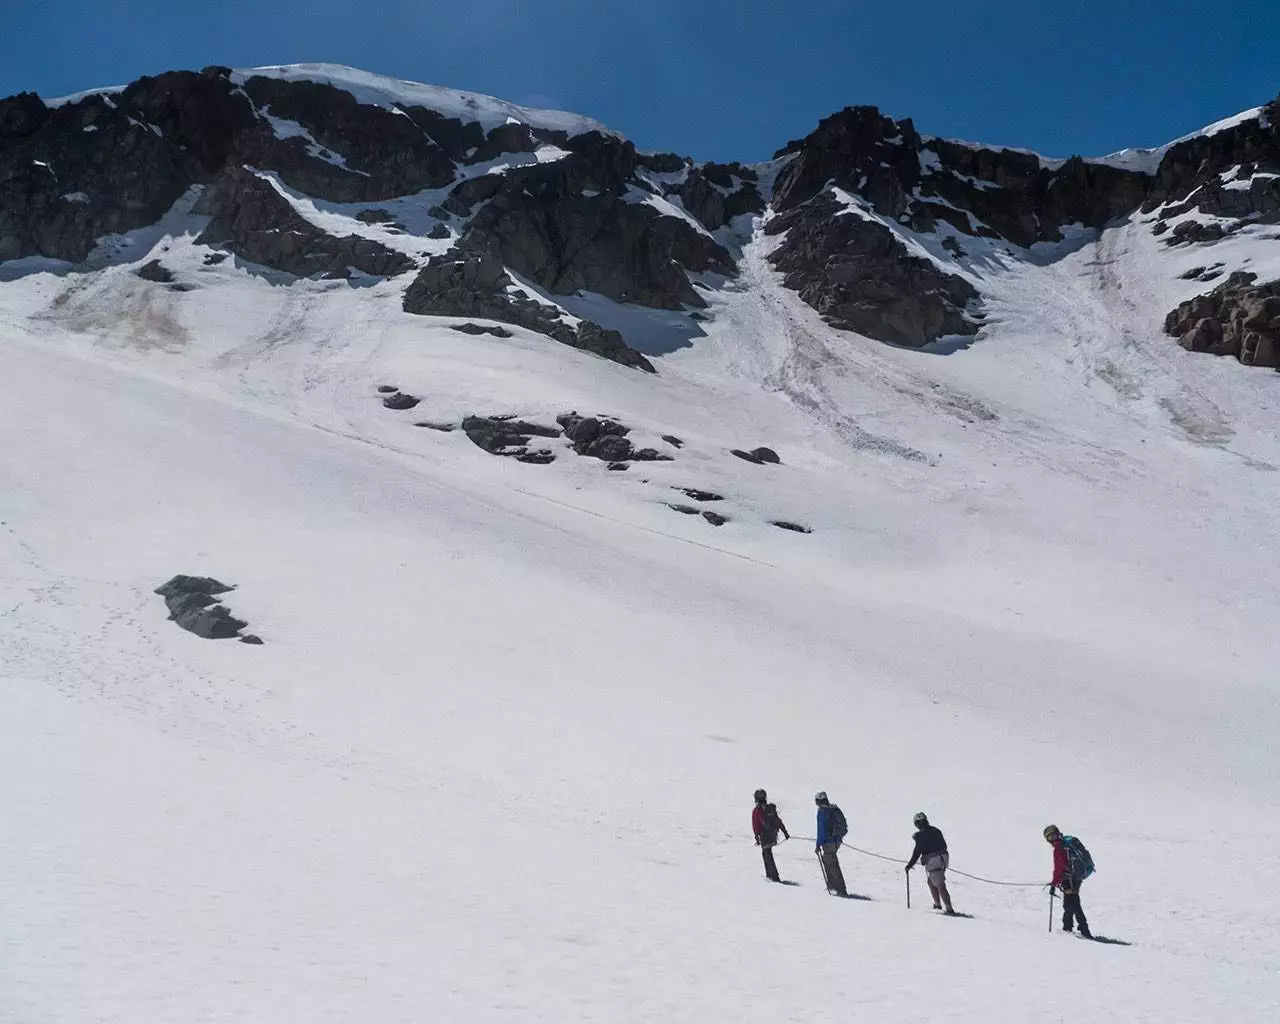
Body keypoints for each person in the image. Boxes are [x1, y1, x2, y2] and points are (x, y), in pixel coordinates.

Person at [1045, 824, 1092, 938]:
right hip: (1077, 877)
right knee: (1070, 902)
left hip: (1068, 878)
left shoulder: (1059, 848)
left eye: (1051, 837)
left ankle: (1083, 930)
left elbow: (1059, 868)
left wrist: (1054, 883)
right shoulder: (1067, 843)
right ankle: (1068, 927)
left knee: (1073, 903)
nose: (1052, 839)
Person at [906, 812, 954, 914]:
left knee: (939, 884)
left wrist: (909, 866)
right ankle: (937, 904)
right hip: (944, 858)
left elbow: (917, 852)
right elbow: (943, 845)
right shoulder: (936, 830)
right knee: (932, 882)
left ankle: (949, 909)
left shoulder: (920, 835)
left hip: (934, 860)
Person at [814, 791, 849, 896]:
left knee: (832, 863)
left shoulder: (822, 812)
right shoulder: (833, 809)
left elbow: (821, 830)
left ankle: (840, 889)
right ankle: (833, 885)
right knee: (828, 860)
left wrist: (818, 844)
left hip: (829, 841)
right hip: (837, 840)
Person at [751, 789, 790, 882]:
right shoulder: (770, 808)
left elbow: (756, 825)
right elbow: (778, 820)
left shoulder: (757, 810)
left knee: (766, 854)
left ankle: (772, 877)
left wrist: (757, 837)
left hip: (764, 836)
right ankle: (773, 876)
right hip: (772, 835)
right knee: (768, 854)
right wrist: (785, 832)